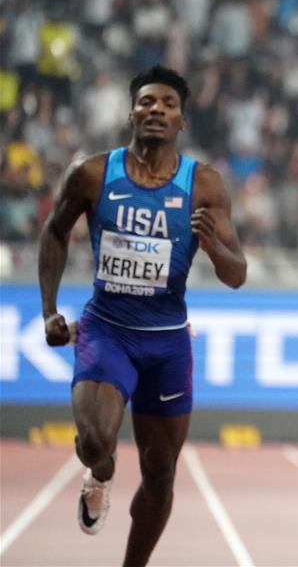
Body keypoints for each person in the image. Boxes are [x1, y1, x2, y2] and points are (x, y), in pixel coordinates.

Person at [39, 65, 246, 566]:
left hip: (167, 343)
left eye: (168, 105)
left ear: (183, 122)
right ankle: (101, 474)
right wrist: (49, 310)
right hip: (105, 330)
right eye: (147, 102)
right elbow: (53, 233)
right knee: (93, 442)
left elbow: (237, 272)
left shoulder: (205, 186)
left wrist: (212, 246)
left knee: (160, 476)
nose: (157, 110)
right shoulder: (91, 174)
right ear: (131, 113)